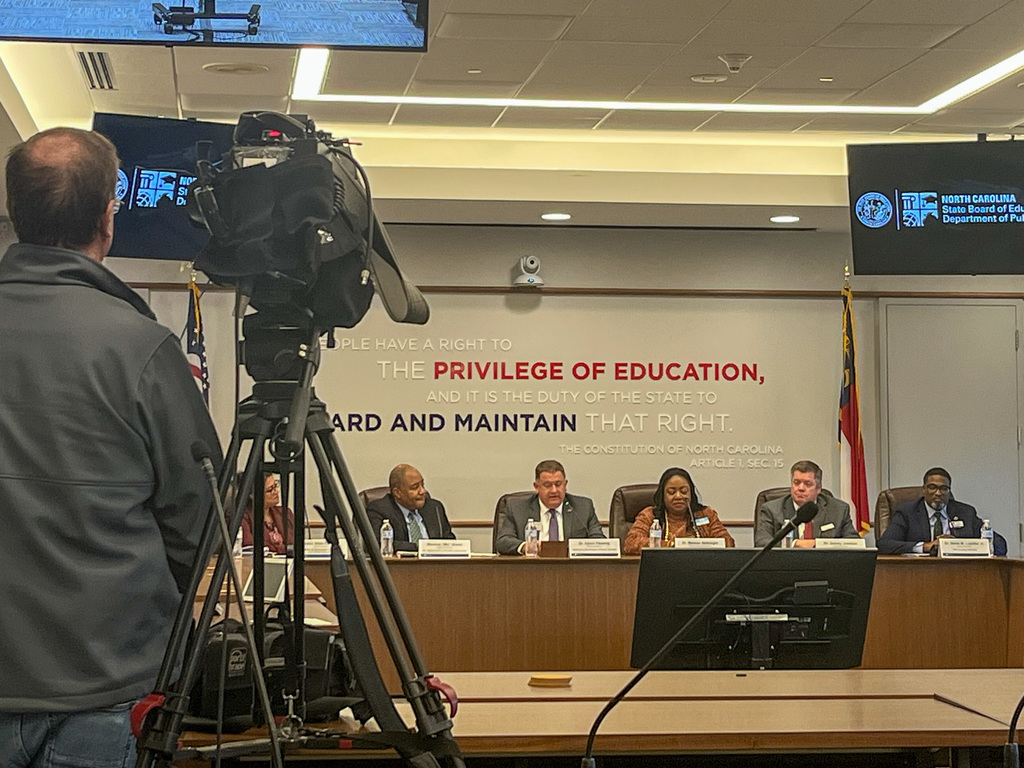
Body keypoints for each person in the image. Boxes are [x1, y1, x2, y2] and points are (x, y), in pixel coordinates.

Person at [0, 127, 221, 767]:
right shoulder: (140, 347)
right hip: (106, 681)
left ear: (17, 211)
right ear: (108, 217)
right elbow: (198, 519)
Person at [877, 467, 1007, 556]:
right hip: (917, 573)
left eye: (944, 488)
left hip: (959, 574)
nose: (938, 493)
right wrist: (926, 546)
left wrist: (959, 545)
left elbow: (1000, 545)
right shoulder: (907, 513)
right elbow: (884, 545)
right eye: (932, 487)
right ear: (924, 489)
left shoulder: (965, 512)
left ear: (949, 491)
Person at [495, 459, 604, 555]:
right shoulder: (517, 508)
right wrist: (525, 546)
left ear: (565, 484)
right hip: (530, 570)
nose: (554, 490)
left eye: (558, 484)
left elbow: (599, 541)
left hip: (572, 570)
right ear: (536, 487)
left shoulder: (583, 507)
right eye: (547, 485)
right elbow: (503, 541)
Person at [624, 468, 735, 554]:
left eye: (684, 491)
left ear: (691, 493)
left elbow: (728, 542)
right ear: (662, 495)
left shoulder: (706, 515)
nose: (678, 496)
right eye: (671, 492)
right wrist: (672, 546)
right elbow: (631, 543)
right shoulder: (650, 515)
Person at [754, 460, 858, 547]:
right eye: (796, 482)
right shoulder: (771, 509)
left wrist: (818, 544)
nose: (801, 488)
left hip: (825, 566)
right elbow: (761, 542)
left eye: (807, 484)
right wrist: (795, 544)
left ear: (818, 488)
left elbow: (854, 542)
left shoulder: (838, 509)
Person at [365, 464, 456, 553]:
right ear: (397, 493)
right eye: (415, 487)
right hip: (400, 567)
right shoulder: (379, 510)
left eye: (422, 485)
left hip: (437, 567)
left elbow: (449, 541)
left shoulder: (434, 508)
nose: (422, 491)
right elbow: (379, 544)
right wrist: (421, 547)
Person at [242, 473, 296, 555]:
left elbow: (296, 543)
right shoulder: (243, 516)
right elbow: (249, 546)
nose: (276, 491)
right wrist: (285, 549)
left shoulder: (285, 513)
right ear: (253, 495)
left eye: (276, 485)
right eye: (270, 489)